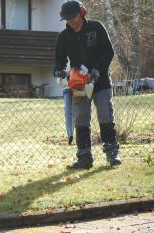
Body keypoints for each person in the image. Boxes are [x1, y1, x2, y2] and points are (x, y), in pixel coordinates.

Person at [53, 0, 121, 169]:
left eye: (74, 17)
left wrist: (97, 71)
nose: (72, 21)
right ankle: (84, 158)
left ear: (82, 13)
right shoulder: (63, 37)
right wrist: (59, 72)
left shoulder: (96, 28)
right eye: (68, 18)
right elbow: (59, 62)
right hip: (79, 84)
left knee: (105, 116)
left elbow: (109, 52)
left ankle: (112, 154)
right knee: (81, 120)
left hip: (101, 81)